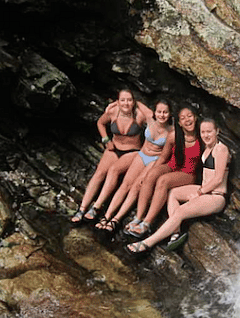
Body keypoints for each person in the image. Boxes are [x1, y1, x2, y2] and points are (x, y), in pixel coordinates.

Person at [127, 118, 230, 254]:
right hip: (205, 191)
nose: (206, 135)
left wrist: (200, 192)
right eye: (203, 132)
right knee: (173, 193)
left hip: (216, 196)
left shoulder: (221, 149)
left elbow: (218, 179)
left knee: (181, 211)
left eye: (209, 132)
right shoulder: (207, 148)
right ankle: (176, 233)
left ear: (217, 131)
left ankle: (146, 243)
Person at [122, 105, 202, 238]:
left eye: (190, 116)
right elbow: (164, 157)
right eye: (183, 118)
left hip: (188, 174)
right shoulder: (173, 136)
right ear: (179, 123)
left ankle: (147, 224)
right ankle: (138, 218)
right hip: (172, 166)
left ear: (196, 118)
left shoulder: (201, 137)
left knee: (163, 180)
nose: (187, 120)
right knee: (152, 175)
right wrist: (149, 173)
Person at [95, 99, 173, 232]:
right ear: (154, 112)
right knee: (125, 184)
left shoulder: (172, 131)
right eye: (159, 111)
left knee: (137, 186)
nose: (162, 115)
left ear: (170, 114)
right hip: (142, 155)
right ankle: (107, 215)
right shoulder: (149, 117)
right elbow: (133, 101)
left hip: (155, 159)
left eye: (165, 112)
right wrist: (113, 104)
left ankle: (116, 219)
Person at [70, 89, 148, 223]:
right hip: (113, 147)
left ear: (134, 101)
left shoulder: (139, 115)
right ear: (118, 101)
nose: (126, 103)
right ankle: (82, 208)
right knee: (99, 173)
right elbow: (100, 123)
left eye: (129, 100)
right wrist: (106, 139)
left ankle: (96, 207)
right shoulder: (113, 111)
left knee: (113, 170)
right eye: (123, 100)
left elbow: (153, 117)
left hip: (132, 151)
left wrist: (139, 103)